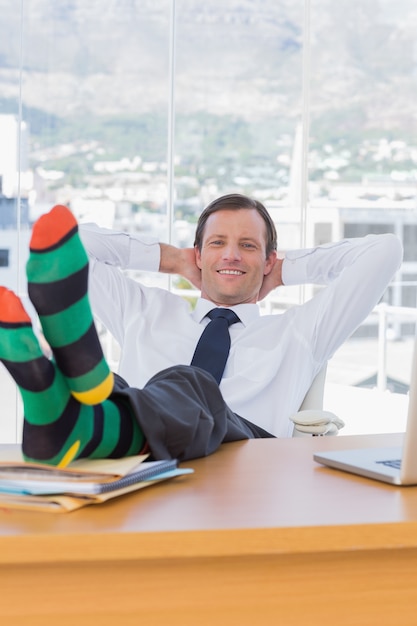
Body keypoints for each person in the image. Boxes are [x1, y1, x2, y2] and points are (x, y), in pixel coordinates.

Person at [0, 195, 403, 466]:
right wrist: (172, 260)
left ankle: (69, 402)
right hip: (145, 465)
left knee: (189, 386)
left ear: (267, 259)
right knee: (133, 389)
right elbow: (75, 243)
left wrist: (283, 271)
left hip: (243, 457)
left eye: (248, 245)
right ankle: (79, 412)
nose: (230, 254)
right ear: (198, 255)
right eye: (217, 244)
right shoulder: (146, 309)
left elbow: (384, 252)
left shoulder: (301, 331)